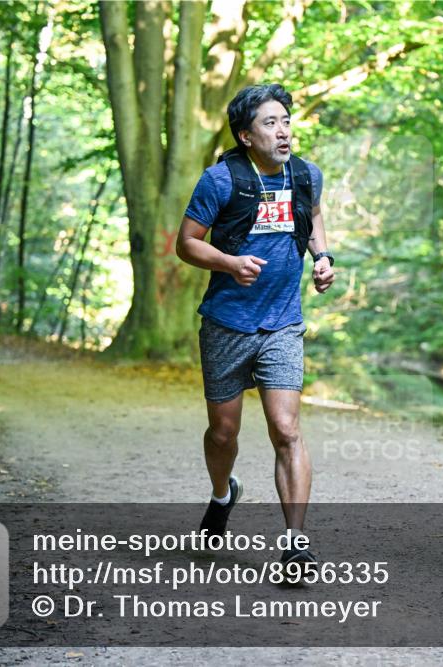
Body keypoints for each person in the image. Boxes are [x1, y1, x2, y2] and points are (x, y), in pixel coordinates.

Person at [176, 84, 335, 568]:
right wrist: (228, 263)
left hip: (283, 324)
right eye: (270, 123)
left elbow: (313, 216)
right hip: (227, 324)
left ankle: (295, 543)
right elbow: (186, 243)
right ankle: (223, 495)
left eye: (286, 120)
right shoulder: (220, 180)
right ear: (246, 135)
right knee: (223, 433)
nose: (283, 130)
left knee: (286, 430)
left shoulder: (306, 176)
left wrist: (323, 256)